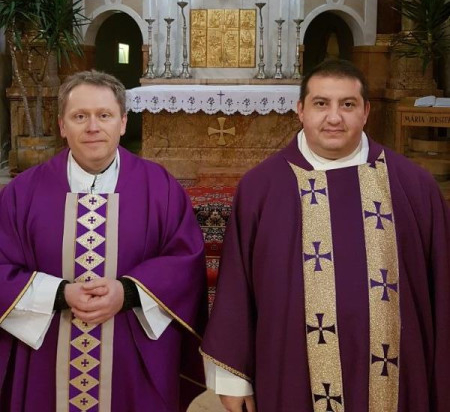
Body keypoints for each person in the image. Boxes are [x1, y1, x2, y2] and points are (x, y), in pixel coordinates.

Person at [201, 59, 450, 412]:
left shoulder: (414, 186)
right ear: (301, 110)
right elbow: (236, 288)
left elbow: (442, 289)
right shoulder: (261, 188)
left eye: (347, 104)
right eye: (321, 104)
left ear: (366, 112)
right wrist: (233, 379)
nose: (334, 118)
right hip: (292, 374)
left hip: (398, 380)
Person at [0, 70, 207, 411]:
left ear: (123, 123)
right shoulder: (22, 193)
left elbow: (184, 263)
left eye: (105, 115)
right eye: (80, 116)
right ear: (62, 125)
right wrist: (59, 294)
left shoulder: (161, 189)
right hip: (46, 357)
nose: (93, 127)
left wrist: (126, 293)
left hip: (131, 355)